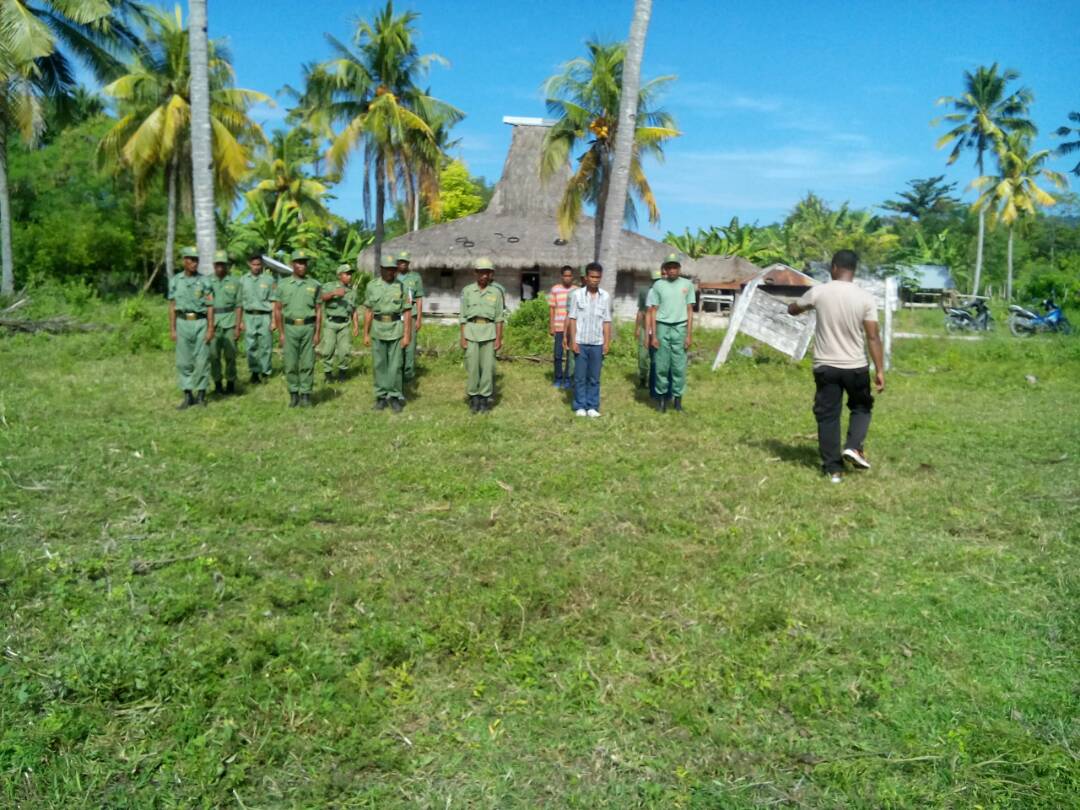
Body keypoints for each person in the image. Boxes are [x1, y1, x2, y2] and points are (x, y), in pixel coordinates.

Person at [788, 249, 885, 483]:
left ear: (833, 268)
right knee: (861, 407)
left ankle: (833, 470)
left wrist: (794, 306)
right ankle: (853, 447)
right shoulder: (865, 298)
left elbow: (793, 309)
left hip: (826, 366)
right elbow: (873, 337)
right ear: (854, 270)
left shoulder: (819, 292)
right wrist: (880, 370)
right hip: (856, 366)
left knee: (828, 415)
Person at [647, 253, 696, 412]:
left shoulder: (687, 285)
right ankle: (661, 401)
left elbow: (689, 311)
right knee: (661, 365)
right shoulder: (658, 285)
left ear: (679, 268)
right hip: (662, 327)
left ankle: (678, 402)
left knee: (679, 367)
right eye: (669, 267)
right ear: (665, 269)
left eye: (675, 267)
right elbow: (653, 310)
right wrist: (653, 335)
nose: (672, 270)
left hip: (680, 328)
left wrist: (689, 334)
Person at [167, 246, 214, 409]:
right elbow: (172, 306)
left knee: (202, 360)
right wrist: (172, 329)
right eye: (191, 259)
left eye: (196, 260)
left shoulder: (205, 281)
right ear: (184, 261)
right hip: (182, 323)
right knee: (184, 361)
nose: (194, 263)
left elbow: (210, 306)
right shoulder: (175, 281)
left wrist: (210, 329)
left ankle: (201, 395)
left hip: (200, 322)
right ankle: (188, 395)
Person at [364, 255, 412, 413]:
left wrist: (407, 335)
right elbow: (369, 310)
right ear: (381, 269)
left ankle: (395, 396)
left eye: (394, 269)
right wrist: (365, 333)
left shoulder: (402, 286)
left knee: (396, 365)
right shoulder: (372, 286)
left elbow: (406, 311)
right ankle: (381, 396)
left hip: (396, 328)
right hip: (378, 329)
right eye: (388, 269)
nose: (392, 272)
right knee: (379, 365)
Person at [274, 250, 322, 408]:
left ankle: (306, 394)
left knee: (308, 362)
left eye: (304, 262)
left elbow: (319, 310)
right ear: (292, 264)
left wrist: (317, 332)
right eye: (298, 262)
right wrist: (281, 333)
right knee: (290, 363)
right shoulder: (283, 285)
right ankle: (294, 394)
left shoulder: (314, 285)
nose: (302, 265)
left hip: (308, 327)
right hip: (290, 328)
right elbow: (278, 310)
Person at [459, 257, 506, 413]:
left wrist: (499, 338)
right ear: (476, 273)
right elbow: (463, 317)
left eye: (487, 273)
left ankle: (485, 398)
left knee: (487, 368)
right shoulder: (467, 291)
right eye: (481, 272)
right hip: (471, 331)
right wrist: (462, 336)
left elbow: (499, 318)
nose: (484, 276)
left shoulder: (496, 293)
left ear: (491, 274)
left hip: (489, 332)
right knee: (472, 367)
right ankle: (474, 397)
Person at [567, 262, 612, 417]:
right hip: (581, 341)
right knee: (579, 377)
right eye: (592, 277)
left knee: (594, 377)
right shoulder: (577, 295)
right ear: (586, 278)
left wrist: (607, 342)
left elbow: (606, 321)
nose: (595, 280)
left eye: (598, 277)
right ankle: (579, 405)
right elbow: (572, 318)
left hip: (597, 343)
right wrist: (573, 341)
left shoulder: (605, 296)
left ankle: (592, 406)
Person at [239, 251, 276, 383]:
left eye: (259, 264)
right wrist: (240, 321)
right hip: (249, 316)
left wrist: (274, 321)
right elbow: (240, 302)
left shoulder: (269, 280)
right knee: (250, 345)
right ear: (249, 264)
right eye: (254, 264)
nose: (256, 267)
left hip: (264, 316)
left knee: (266, 345)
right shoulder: (243, 280)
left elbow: (273, 301)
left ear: (262, 265)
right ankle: (254, 372)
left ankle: (265, 372)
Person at [208, 250, 241, 395]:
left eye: (223, 264)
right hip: (213, 322)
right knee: (214, 355)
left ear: (227, 265)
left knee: (230, 355)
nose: (220, 267)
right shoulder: (207, 281)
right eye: (218, 264)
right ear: (214, 265)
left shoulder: (235, 282)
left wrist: (238, 326)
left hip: (230, 321)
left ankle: (231, 383)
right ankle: (217, 384)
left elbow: (239, 306)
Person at [319, 264, 359, 383]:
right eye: (347, 274)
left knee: (344, 350)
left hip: (345, 324)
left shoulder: (352, 291)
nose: (349, 276)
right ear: (339, 275)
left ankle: (342, 374)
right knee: (328, 349)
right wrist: (333, 294)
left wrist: (356, 325)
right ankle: (328, 374)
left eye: (350, 274)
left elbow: (354, 309)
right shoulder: (330, 286)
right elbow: (321, 298)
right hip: (331, 323)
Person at [396, 251, 424, 387]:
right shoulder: (392, 277)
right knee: (397, 345)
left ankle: (409, 375)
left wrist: (419, 318)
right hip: (395, 316)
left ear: (408, 263)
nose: (402, 264)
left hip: (411, 315)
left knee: (410, 347)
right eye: (400, 261)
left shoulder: (415, 277)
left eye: (405, 262)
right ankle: (397, 373)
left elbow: (419, 298)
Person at [636, 268, 662, 393]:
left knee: (656, 357)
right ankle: (642, 378)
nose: (656, 283)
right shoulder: (645, 292)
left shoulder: (664, 292)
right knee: (642, 355)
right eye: (654, 280)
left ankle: (655, 382)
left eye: (659, 280)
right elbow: (641, 311)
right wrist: (637, 328)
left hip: (660, 328)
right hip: (645, 328)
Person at [548, 265, 575, 389]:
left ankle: (568, 379)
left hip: (572, 328)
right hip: (558, 327)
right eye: (565, 275)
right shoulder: (555, 289)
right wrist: (551, 325)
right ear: (561, 276)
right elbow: (552, 309)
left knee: (570, 355)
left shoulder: (577, 290)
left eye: (569, 275)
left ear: (572, 277)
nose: (567, 278)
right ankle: (558, 379)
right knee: (558, 355)